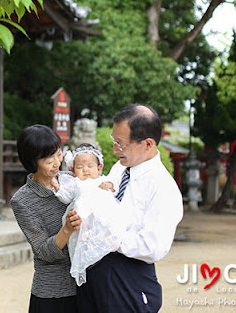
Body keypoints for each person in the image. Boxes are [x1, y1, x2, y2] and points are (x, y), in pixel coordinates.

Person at [77, 104, 183, 313]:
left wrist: (110, 239)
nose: (115, 149)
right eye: (114, 141)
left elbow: (153, 246)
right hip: (95, 271)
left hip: (129, 277)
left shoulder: (163, 187)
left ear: (148, 144)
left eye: (121, 144)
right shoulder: (120, 168)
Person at [11, 124, 81, 313]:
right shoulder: (22, 200)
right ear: (31, 161)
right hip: (53, 292)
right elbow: (43, 251)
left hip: (86, 285)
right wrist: (66, 229)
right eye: (47, 158)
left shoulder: (71, 180)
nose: (56, 162)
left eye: (58, 154)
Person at [51, 144, 128, 286]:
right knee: (79, 212)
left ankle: (112, 237)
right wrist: (58, 188)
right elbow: (66, 197)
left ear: (99, 168)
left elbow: (113, 189)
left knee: (111, 220)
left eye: (90, 166)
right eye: (80, 167)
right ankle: (85, 234)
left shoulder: (101, 180)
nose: (85, 170)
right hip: (84, 212)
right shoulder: (75, 182)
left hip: (102, 210)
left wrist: (109, 186)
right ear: (73, 171)